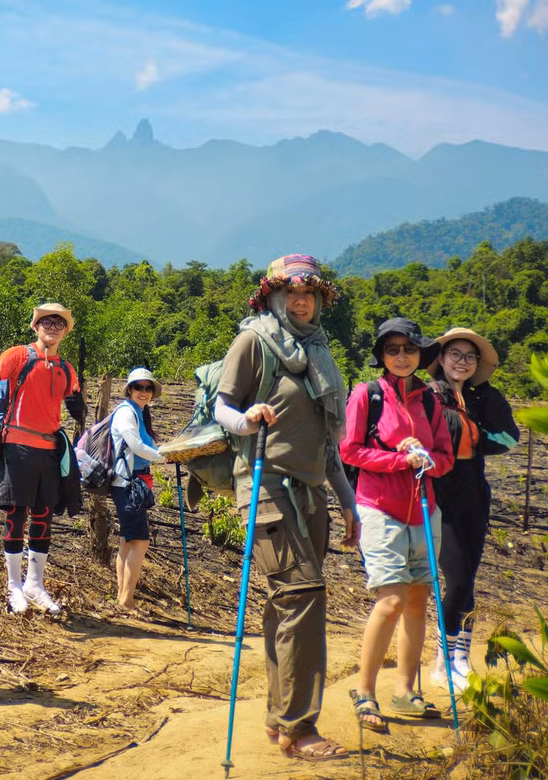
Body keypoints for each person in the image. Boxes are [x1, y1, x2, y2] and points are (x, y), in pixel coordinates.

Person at [213, 254, 358, 762]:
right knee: (303, 594)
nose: (300, 300)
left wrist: (349, 506)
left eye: (309, 294)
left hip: (313, 492)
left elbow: (328, 442)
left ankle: (280, 720)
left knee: (285, 605)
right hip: (268, 488)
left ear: (319, 301)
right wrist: (248, 418)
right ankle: (301, 729)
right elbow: (222, 407)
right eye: (291, 293)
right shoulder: (254, 340)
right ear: (273, 296)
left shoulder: (318, 349)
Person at [339, 317, 453, 732]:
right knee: (390, 600)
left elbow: (446, 458)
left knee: (418, 601)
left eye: (409, 348)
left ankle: (405, 690)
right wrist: (398, 459)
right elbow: (349, 451)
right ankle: (365, 692)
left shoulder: (430, 400)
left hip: (425, 509)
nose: (402, 356)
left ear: (421, 354)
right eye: (393, 349)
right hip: (380, 508)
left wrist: (426, 458)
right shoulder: (366, 395)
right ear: (382, 356)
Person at [0, 302, 85, 614]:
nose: (52, 327)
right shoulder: (18, 355)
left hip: (49, 449)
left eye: (58, 323)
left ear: (65, 331)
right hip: (17, 446)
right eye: (46, 322)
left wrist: (79, 409)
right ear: (36, 327)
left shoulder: (66, 368)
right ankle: (14, 587)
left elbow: (75, 403)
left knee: (43, 514)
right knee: (16, 514)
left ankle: (35, 584)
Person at [425, 327, 519, 689]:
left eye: (469, 356)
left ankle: (461, 657)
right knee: (457, 578)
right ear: (442, 359)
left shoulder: (484, 398)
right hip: (440, 496)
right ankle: (442, 661)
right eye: (455, 355)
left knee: (469, 580)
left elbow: (510, 436)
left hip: (475, 495)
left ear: (476, 363)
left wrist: (476, 437)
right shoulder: (429, 395)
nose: (462, 362)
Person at [109, 367, 166, 614]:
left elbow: (142, 445)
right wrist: (163, 457)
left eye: (147, 388)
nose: (143, 392)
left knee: (127, 541)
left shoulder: (140, 413)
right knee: (140, 542)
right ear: (130, 389)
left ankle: (123, 597)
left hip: (133, 482)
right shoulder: (126, 413)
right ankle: (126, 601)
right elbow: (135, 444)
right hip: (127, 482)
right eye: (138, 387)